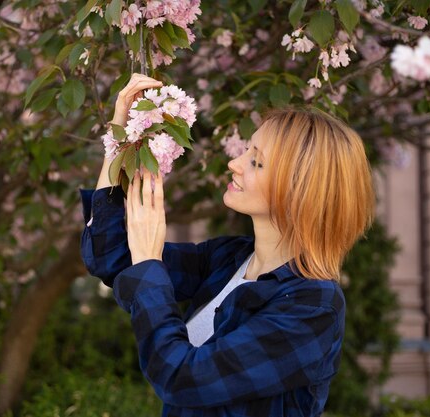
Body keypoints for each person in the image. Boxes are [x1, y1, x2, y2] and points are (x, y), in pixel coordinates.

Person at [80, 73, 375, 417]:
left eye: (256, 162)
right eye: (247, 150)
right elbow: (109, 253)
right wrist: (121, 136)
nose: (234, 163)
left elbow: (182, 377)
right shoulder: (228, 259)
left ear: (300, 191)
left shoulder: (312, 308)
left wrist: (149, 260)